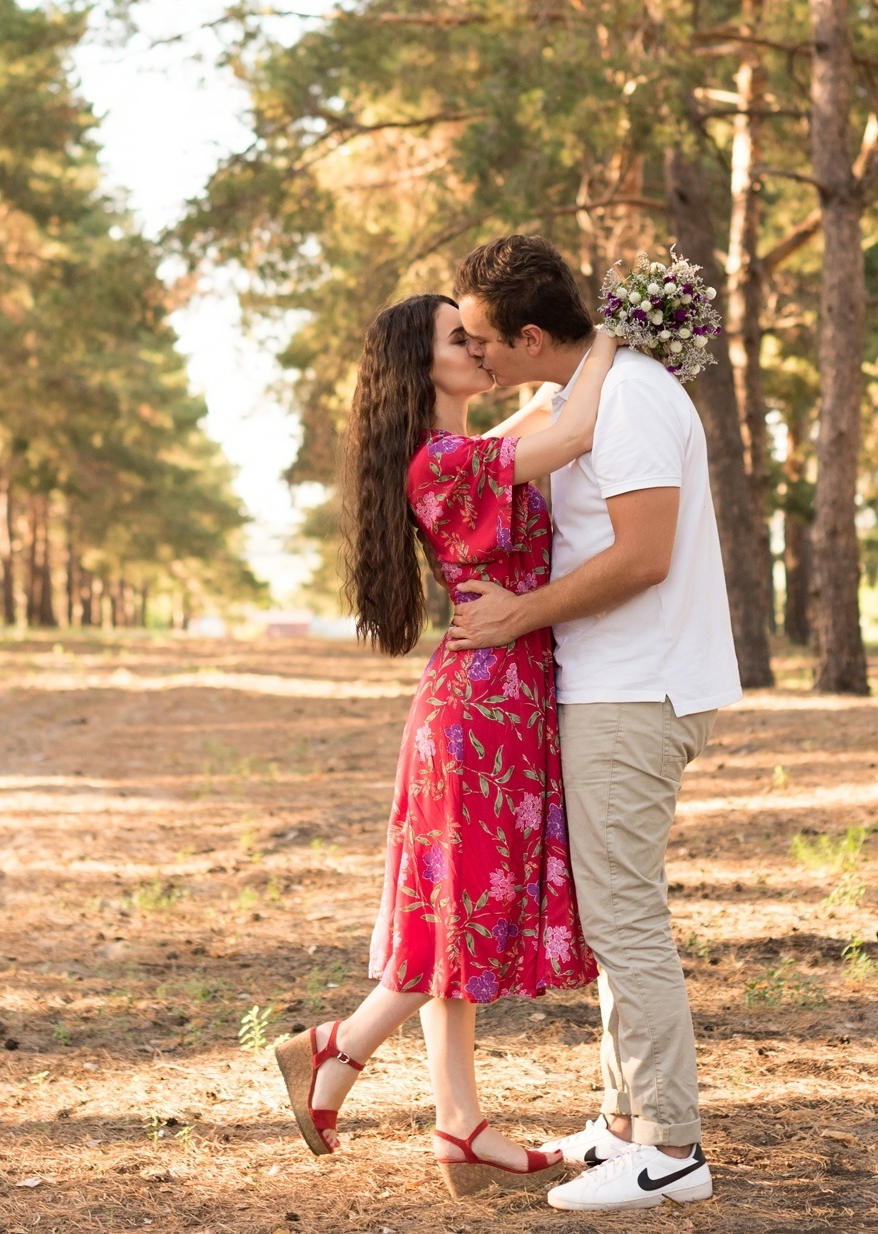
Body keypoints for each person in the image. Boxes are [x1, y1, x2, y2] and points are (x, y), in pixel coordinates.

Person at [272, 292, 620, 1198]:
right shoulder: (444, 463)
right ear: (419, 365)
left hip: (495, 704)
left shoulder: (464, 450)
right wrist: (612, 334)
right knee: (458, 916)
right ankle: (337, 1048)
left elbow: (542, 411)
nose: (480, 345)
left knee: (451, 913)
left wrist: (558, 373)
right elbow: (575, 429)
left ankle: (460, 1125)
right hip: (480, 715)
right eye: (459, 338)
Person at [446, 234, 742, 1212]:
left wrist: (517, 616)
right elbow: (500, 458)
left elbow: (645, 556)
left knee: (625, 916)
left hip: (638, 691)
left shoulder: (634, 398)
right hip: (609, 687)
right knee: (614, 913)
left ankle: (674, 1148)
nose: (476, 355)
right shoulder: (590, 390)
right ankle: (625, 1125)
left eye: (484, 340)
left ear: (531, 338)